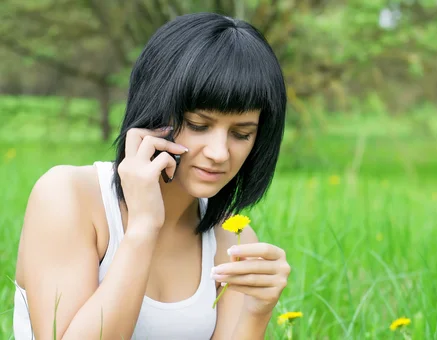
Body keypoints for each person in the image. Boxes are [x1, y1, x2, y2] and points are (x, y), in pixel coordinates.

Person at [12, 12, 290, 340]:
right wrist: (143, 228)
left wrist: (258, 311)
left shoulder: (233, 241)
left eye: (241, 134)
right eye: (199, 126)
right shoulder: (67, 197)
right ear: (155, 109)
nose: (219, 153)